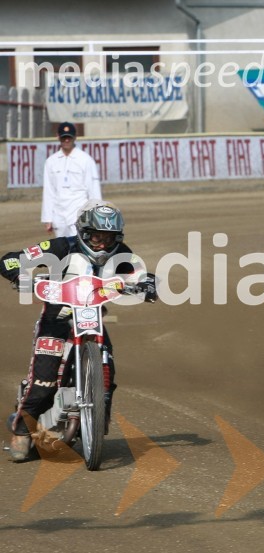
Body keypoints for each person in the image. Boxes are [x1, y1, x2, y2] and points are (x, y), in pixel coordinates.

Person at [2, 201, 157, 462]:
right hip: (56, 320)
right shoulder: (61, 246)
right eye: (96, 237)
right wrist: (20, 275)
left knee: (108, 371)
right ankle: (21, 430)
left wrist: (149, 285)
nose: (102, 244)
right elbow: (8, 260)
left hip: (92, 321)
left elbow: (142, 274)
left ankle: (97, 422)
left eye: (109, 238)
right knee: (44, 383)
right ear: (84, 233)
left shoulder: (123, 254)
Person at [41, 122, 102, 238]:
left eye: (69, 137)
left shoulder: (85, 160)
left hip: (79, 213)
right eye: (64, 137)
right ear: (58, 137)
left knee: (78, 250)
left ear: (75, 137)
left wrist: (97, 216)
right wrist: (47, 218)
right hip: (59, 215)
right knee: (62, 250)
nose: (67, 140)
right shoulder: (51, 162)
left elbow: (93, 189)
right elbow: (49, 191)